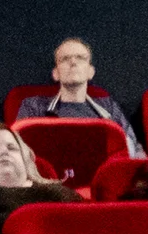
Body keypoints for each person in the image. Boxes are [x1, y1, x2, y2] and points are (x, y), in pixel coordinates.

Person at [9, 38, 140, 153]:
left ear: (90, 72)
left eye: (81, 58)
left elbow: (131, 149)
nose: (73, 62)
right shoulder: (34, 106)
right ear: (56, 73)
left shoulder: (108, 107)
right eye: (65, 59)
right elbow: (18, 149)